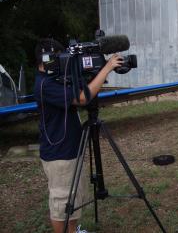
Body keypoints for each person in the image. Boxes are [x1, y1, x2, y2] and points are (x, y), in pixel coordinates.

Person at [33, 38, 123, 233]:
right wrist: (106, 69)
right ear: (47, 59)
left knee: (73, 199)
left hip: (70, 148)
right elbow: (82, 98)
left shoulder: (54, 78)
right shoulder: (45, 85)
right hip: (60, 154)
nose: (61, 62)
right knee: (62, 202)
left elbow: (80, 88)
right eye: (58, 58)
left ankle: (72, 230)